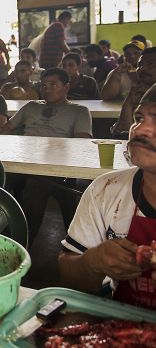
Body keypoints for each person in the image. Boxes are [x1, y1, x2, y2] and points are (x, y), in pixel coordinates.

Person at [58, 83, 156, 308]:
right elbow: (69, 274)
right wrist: (94, 261)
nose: (140, 130)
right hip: (122, 327)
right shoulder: (106, 189)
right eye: (139, 117)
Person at [0, 68, 93, 245]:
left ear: (66, 87)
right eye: (44, 85)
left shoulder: (79, 111)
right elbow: (6, 129)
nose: (47, 89)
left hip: (57, 166)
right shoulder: (31, 106)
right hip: (23, 160)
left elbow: (83, 143)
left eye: (53, 85)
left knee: (37, 186)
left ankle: (21, 244)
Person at [113, 49, 156, 137]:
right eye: (139, 65)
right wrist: (128, 104)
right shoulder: (137, 93)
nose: (142, 69)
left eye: (150, 64)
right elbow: (121, 135)